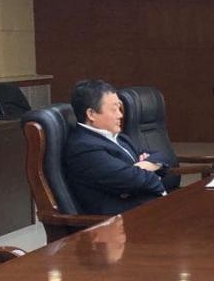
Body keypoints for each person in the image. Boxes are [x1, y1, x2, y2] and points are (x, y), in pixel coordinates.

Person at [63, 79, 168, 216]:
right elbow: (133, 180)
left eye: (119, 108)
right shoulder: (83, 147)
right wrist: (151, 172)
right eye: (114, 109)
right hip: (121, 221)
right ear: (91, 114)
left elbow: (162, 156)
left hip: (146, 209)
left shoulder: (118, 137)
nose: (120, 115)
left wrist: (142, 167)